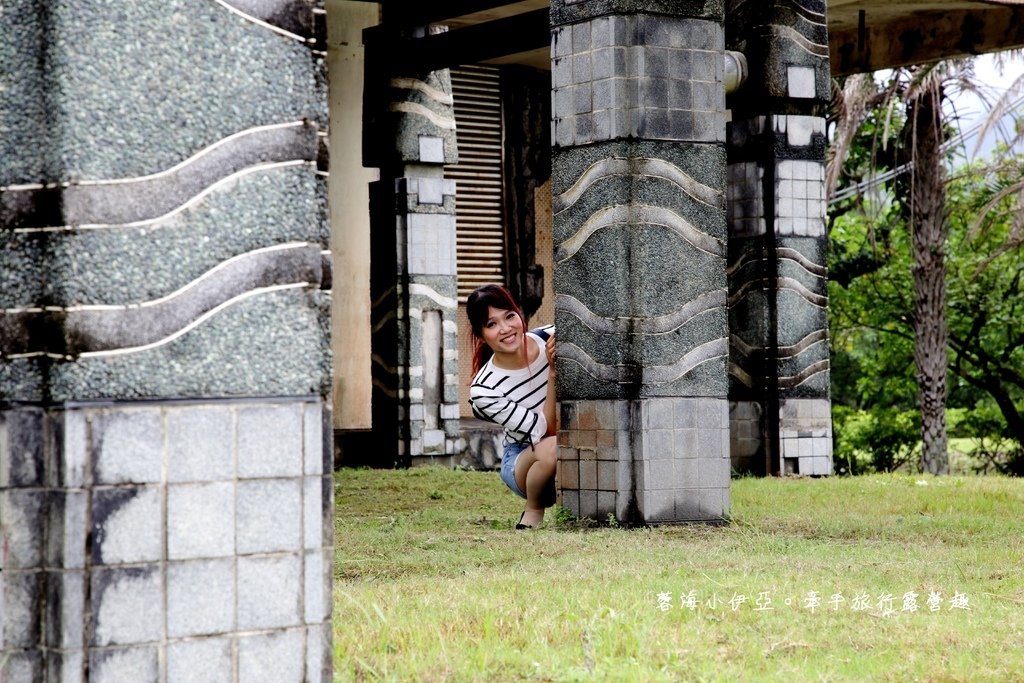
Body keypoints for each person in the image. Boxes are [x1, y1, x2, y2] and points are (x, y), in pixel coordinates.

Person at [466, 284, 556, 529]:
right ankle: (534, 508)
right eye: (492, 324)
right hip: (524, 460)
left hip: (567, 443)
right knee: (553, 446)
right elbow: (545, 431)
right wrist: (553, 374)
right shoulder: (484, 390)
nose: (505, 329)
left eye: (509, 316)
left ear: (519, 314)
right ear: (481, 334)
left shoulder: (550, 338)